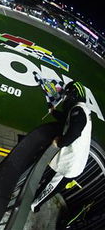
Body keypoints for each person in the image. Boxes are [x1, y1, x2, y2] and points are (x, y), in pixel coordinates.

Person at [31, 81, 92, 213]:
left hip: (69, 165)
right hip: (72, 162)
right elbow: (66, 119)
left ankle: (33, 206)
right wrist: (53, 112)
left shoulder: (78, 110)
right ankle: (35, 200)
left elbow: (75, 132)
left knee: (51, 187)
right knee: (50, 183)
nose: (65, 98)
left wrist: (60, 142)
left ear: (73, 96)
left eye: (67, 95)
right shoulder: (81, 109)